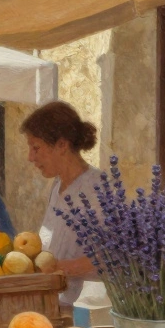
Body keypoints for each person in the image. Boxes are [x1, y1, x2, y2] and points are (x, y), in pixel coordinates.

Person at [21, 101, 107, 310]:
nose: (30, 157)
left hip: (86, 310)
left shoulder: (98, 190)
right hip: (56, 302)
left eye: (36, 148)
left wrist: (60, 269)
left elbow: (113, 257)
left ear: (62, 145)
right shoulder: (58, 185)